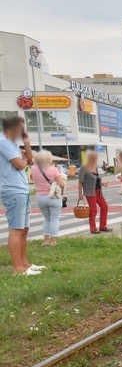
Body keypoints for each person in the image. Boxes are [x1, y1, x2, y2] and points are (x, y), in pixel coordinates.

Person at [0, 116, 44, 275]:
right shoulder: (3, 142)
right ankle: (18, 268)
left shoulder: (12, 144)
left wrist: (27, 145)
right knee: (16, 229)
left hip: (21, 188)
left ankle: (25, 264)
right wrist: (23, 159)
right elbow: (20, 164)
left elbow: (30, 161)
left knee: (24, 228)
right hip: (12, 190)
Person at [33, 150, 66, 246]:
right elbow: (61, 184)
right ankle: (53, 241)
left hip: (40, 197)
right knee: (54, 219)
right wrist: (63, 181)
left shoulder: (34, 169)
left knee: (47, 219)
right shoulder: (54, 170)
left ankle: (46, 240)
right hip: (53, 197)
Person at [78, 150, 111, 234]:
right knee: (93, 210)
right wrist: (80, 194)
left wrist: (102, 183)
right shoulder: (84, 167)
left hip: (98, 191)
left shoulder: (95, 166)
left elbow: (96, 179)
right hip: (90, 191)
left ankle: (103, 226)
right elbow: (80, 181)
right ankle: (93, 228)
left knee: (104, 206)